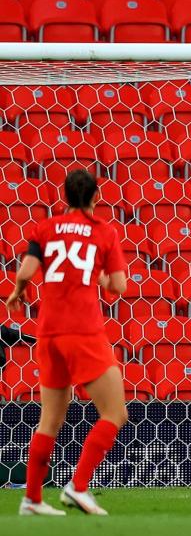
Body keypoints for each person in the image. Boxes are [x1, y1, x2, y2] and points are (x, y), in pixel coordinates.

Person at [5, 169, 128, 517]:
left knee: (50, 420)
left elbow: (26, 270)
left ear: (65, 196)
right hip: (83, 330)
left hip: (48, 332)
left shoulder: (45, 228)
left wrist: (18, 291)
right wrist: (100, 275)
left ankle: (31, 499)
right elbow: (118, 286)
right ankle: (78, 487)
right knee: (115, 412)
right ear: (95, 197)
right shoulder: (103, 231)